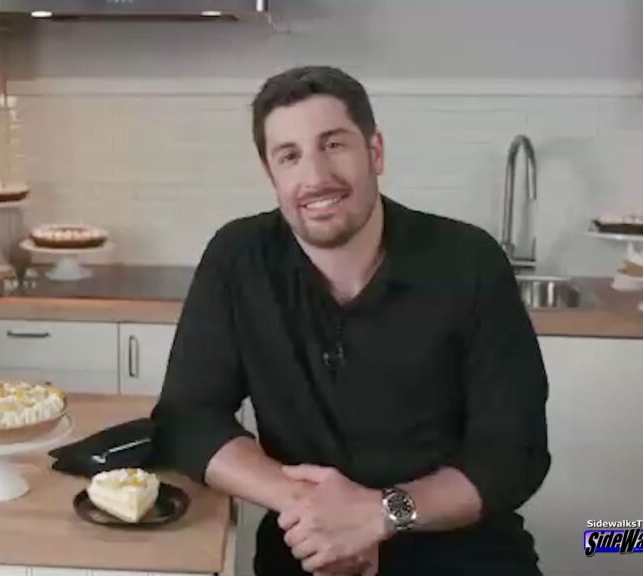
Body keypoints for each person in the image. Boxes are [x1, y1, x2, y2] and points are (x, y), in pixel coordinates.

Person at [150, 65, 551, 576]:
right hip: (309, 553)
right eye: (290, 156)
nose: (315, 176)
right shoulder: (238, 259)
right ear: (271, 174)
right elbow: (188, 418)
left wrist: (383, 514)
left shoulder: (468, 261)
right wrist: (315, 510)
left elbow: (512, 454)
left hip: (463, 554)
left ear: (375, 152)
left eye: (334, 145)